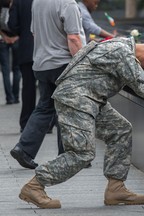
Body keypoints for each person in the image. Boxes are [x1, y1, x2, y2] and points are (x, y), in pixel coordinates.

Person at [18, 37, 144, 209]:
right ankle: (35, 185)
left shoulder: (122, 45)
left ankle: (116, 189)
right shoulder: (123, 54)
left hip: (91, 99)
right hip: (76, 100)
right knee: (81, 153)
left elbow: (143, 82)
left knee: (120, 130)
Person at [9, 0, 86, 169]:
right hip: (63, 64)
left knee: (45, 107)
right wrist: (83, 62)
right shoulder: (68, 3)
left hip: (42, 63)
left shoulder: (38, 2)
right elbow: (73, 37)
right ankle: (68, 155)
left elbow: (34, 33)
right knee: (67, 109)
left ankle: (24, 149)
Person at [8, 0, 36, 132]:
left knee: (28, 88)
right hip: (45, 49)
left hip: (26, 49)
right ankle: (47, 122)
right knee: (48, 88)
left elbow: (12, 25)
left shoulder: (18, 1)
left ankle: (26, 122)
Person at [0, 0, 21, 105]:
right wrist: (16, 37)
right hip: (16, 38)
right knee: (16, 68)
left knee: (5, 69)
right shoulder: (18, 4)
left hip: (3, 39)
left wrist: (5, 37)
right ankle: (16, 96)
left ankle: (9, 97)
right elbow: (23, 22)